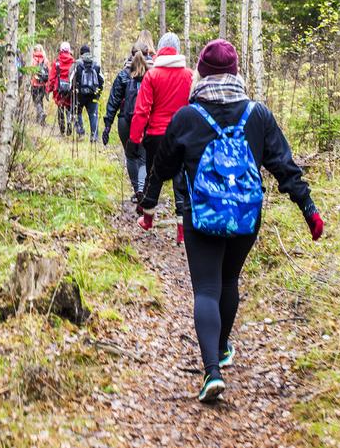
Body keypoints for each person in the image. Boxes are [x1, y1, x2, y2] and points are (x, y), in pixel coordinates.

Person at [136, 39, 324, 404]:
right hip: (245, 218)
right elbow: (284, 166)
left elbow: (162, 166)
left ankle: (212, 372)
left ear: (201, 74)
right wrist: (309, 209)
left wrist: (149, 206)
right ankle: (221, 347)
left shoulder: (187, 117)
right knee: (229, 281)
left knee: (206, 289)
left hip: (201, 217)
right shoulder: (258, 114)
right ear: (236, 72)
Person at [129, 32, 193, 245]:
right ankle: (182, 232)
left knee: (154, 176)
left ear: (160, 48)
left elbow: (141, 111)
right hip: (183, 135)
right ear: (177, 49)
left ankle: (147, 220)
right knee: (181, 180)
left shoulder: (152, 75)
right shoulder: (190, 75)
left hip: (156, 136)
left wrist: (134, 138)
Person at [102, 42, 152, 200]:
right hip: (145, 120)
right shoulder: (152, 74)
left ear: (131, 54)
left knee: (130, 156)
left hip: (125, 120)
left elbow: (113, 101)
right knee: (144, 157)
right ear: (147, 53)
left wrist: (108, 125)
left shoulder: (123, 74)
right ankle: (143, 189)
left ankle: (137, 190)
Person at [71, 45, 104, 142]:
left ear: (81, 53)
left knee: (77, 113)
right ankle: (94, 136)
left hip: (80, 95)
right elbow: (102, 79)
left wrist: (72, 91)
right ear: (89, 52)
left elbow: (71, 79)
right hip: (93, 94)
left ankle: (81, 132)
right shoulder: (96, 64)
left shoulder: (77, 64)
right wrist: (99, 92)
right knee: (93, 115)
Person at [47, 42, 76, 136]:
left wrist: (48, 89)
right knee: (68, 106)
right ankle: (69, 122)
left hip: (58, 89)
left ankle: (62, 129)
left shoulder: (57, 62)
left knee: (60, 107)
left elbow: (52, 77)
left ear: (60, 49)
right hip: (70, 88)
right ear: (69, 50)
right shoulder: (73, 61)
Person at [29, 44, 49, 124]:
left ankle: (41, 114)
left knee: (36, 101)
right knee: (40, 101)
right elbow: (49, 72)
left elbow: (30, 72)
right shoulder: (45, 60)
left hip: (35, 84)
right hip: (43, 84)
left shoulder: (33, 60)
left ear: (34, 51)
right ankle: (40, 120)